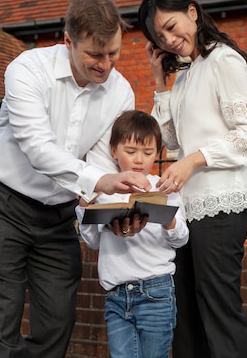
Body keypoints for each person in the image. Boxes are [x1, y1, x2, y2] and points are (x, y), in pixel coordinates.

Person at [0, 0, 151, 358]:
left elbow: (102, 165)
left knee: (57, 319)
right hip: (2, 203)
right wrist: (99, 181)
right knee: (1, 317)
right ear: (68, 41)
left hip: (57, 217)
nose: (106, 65)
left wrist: (110, 214)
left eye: (113, 53)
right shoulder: (26, 69)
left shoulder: (121, 92)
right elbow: (37, 148)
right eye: (95, 55)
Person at [138, 0, 247, 358]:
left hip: (222, 205)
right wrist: (161, 82)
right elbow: (171, 141)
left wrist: (194, 159)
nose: (171, 39)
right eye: (161, 36)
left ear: (193, 12)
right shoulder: (188, 74)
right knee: (186, 314)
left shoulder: (224, 60)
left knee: (218, 310)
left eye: (173, 27)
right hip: (188, 209)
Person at [76, 109, 189, 358]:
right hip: (116, 295)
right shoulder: (106, 191)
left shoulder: (165, 189)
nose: (139, 160)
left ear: (157, 154)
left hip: (156, 292)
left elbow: (181, 238)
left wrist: (166, 219)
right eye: (130, 151)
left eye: (148, 153)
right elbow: (93, 241)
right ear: (114, 151)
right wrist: (85, 206)